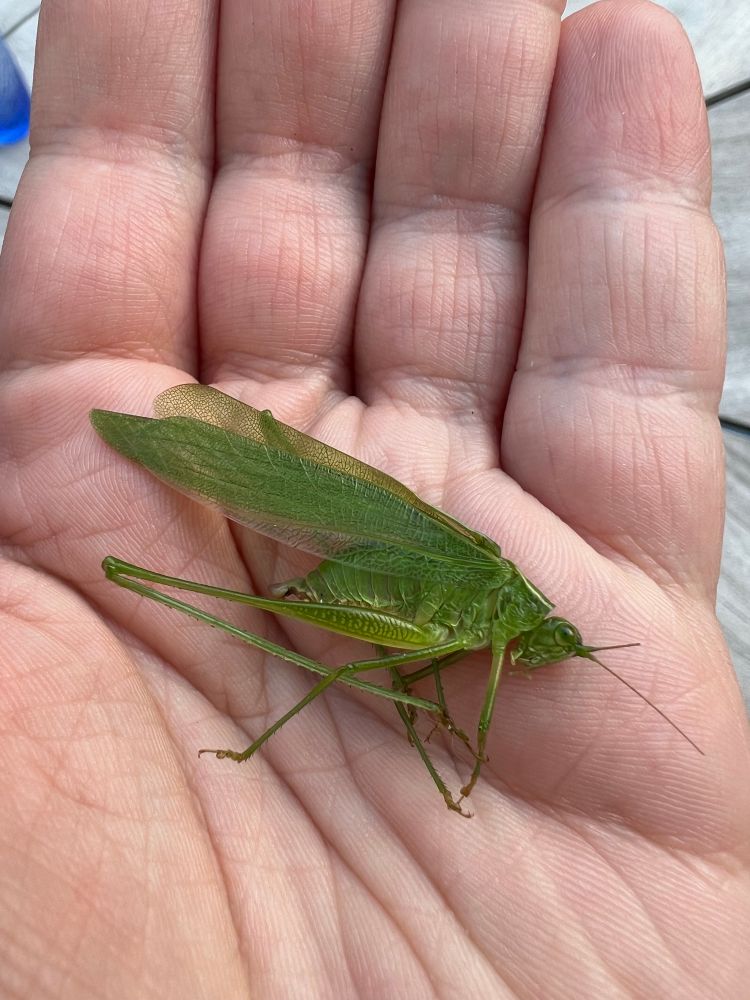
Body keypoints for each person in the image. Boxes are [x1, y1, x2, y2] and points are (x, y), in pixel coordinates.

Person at [0, 1, 747, 996]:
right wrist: (465, 754)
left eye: (537, 645)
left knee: (396, 677)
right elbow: (449, 685)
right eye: (534, 641)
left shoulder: (506, 625)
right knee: (316, 670)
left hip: (397, 594)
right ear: (517, 621)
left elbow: (429, 674)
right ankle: (252, 713)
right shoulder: (485, 619)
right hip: (362, 581)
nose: (526, 657)